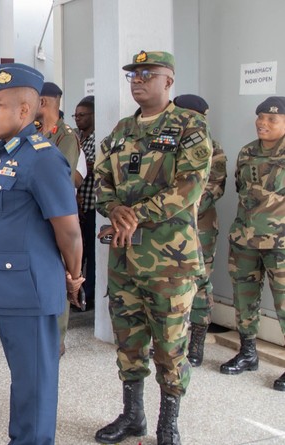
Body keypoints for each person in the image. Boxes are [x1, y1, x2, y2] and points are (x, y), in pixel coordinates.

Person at [94, 51, 212, 445]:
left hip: (169, 263)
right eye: (134, 74)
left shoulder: (189, 126)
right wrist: (113, 208)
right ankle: (133, 416)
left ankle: (168, 424)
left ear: (169, 81)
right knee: (128, 341)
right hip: (125, 258)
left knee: (170, 345)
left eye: (148, 74)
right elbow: (102, 180)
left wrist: (135, 215)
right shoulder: (122, 129)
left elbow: (189, 186)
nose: (139, 80)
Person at [0, 63, 83, 445]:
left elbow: (69, 231)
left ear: (24, 110)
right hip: (9, 288)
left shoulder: (43, 158)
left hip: (29, 291)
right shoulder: (3, 154)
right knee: (24, 378)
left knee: (34, 383)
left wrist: (74, 277)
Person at [220, 96, 285, 392]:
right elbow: (241, 189)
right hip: (245, 239)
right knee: (244, 299)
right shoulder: (247, 152)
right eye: (260, 117)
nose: (263, 123)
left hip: (280, 243)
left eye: (272, 119)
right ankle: (248, 353)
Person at [171, 94, 227, 367]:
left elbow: (213, 189)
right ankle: (173, 342)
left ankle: (197, 343)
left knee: (200, 281)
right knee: (170, 282)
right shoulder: (165, 145)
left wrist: (176, 207)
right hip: (167, 227)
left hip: (199, 225)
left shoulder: (212, 149)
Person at [37, 81, 82, 356]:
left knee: (59, 273)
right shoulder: (34, 132)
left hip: (57, 215)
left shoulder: (65, 136)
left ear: (42, 102)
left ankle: (57, 338)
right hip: (36, 217)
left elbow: (59, 177)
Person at [74, 96, 96, 310]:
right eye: (76, 115)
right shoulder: (76, 137)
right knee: (78, 253)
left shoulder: (98, 138)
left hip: (92, 206)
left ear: (93, 115)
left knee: (92, 254)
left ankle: (89, 295)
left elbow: (94, 167)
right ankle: (77, 292)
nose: (78, 119)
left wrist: (85, 166)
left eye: (82, 115)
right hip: (77, 206)